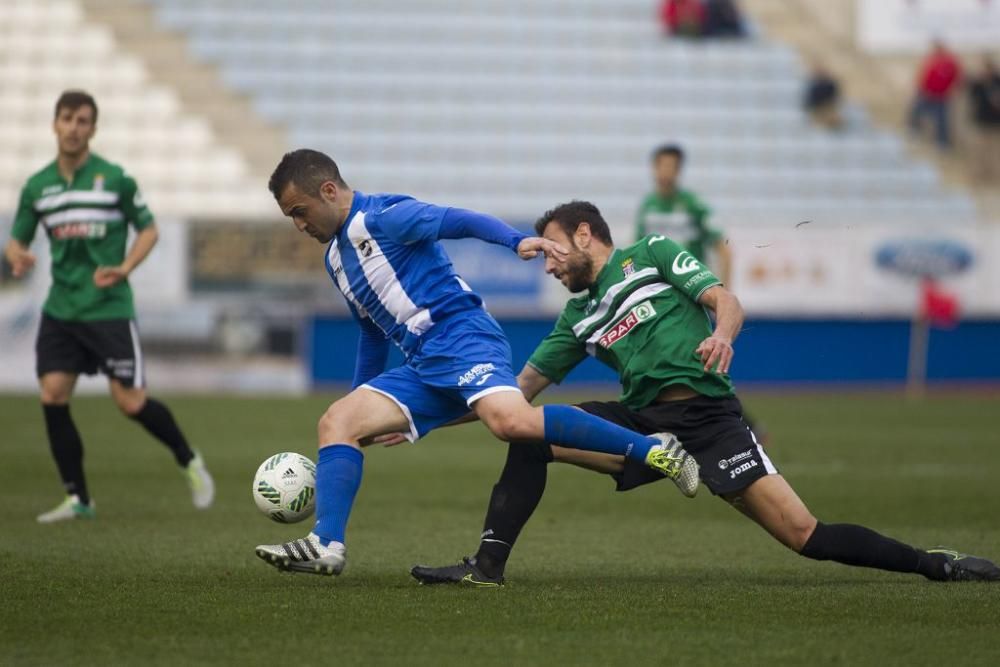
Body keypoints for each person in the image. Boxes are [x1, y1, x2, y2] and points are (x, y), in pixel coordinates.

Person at [410, 200, 1000, 586]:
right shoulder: (576, 318)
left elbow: (726, 299)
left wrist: (721, 334)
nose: (547, 263)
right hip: (639, 427)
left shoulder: (653, 254)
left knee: (805, 536)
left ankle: (937, 565)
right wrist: (421, 420)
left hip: (710, 420)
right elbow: (511, 394)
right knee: (531, 432)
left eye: (553, 248)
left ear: (584, 233)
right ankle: (487, 568)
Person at [253, 150, 700, 577]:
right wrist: (361, 405)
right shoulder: (335, 259)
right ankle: (326, 544)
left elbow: (457, 219)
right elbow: (372, 333)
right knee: (338, 421)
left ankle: (655, 449)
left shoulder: (384, 216)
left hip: (464, 336)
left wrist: (515, 240)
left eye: (299, 210)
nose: (298, 224)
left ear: (329, 190)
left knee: (510, 424)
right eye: (290, 216)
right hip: (423, 362)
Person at [3, 90, 214, 522]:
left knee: (131, 402)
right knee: (52, 395)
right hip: (61, 310)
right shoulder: (38, 187)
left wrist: (125, 266)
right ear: (54, 124)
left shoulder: (115, 180)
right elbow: (17, 240)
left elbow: (150, 231)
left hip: (109, 309)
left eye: (83, 121)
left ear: (93, 129)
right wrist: (17, 256)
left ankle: (187, 457)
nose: (74, 127)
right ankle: (79, 498)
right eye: (67, 118)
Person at [635, 144, 732, 292]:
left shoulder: (693, 205)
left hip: (691, 291)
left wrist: (724, 294)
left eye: (670, 166)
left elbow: (723, 249)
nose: (665, 171)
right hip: (658, 292)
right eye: (661, 165)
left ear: (678, 170)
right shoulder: (648, 206)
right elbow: (638, 251)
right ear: (654, 167)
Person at [908, 40, 962, 150]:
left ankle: (942, 141)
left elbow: (957, 78)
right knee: (916, 111)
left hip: (941, 96)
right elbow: (924, 75)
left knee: (941, 120)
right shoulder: (931, 59)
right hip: (926, 93)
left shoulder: (950, 61)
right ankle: (914, 130)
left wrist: (953, 89)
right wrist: (920, 87)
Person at [967, 54, 1000, 184]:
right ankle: (978, 177)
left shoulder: (998, 80)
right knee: (979, 152)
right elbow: (971, 96)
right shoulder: (978, 83)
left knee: (995, 152)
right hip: (980, 122)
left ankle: (995, 177)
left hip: (996, 122)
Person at [803, 61, 844, 131]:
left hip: (827, 107)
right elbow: (809, 102)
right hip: (817, 108)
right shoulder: (812, 85)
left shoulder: (830, 84)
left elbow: (834, 97)